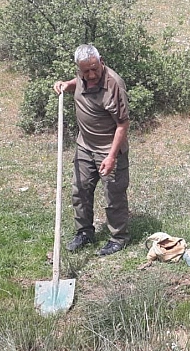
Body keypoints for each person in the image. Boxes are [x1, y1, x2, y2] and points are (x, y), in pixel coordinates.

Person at [53, 44, 131, 256]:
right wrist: (65, 85)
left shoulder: (114, 85)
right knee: (80, 190)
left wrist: (112, 156)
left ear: (101, 61)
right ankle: (84, 232)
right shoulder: (82, 77)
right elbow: (77, 83)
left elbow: (123, 125)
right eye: (85, 71)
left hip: (108, 149)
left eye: (94, 69)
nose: (91, 74)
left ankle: (118, 237)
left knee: (113, 195)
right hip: (84, 147)